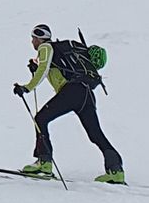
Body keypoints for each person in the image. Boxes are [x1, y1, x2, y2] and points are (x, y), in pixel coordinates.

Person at [15, 23, 126, 183]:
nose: (32, 42)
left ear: (40, 38)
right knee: (95, 134)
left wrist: (26, 87)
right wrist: (37, 66)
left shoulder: (45, 48)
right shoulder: (57, 52)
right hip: (86, 93)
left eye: (33, 38)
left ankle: (44, 164)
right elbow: (50, 69)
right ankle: (116, 170)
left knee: (41, 119)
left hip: (72, 91)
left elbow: (43, 70)